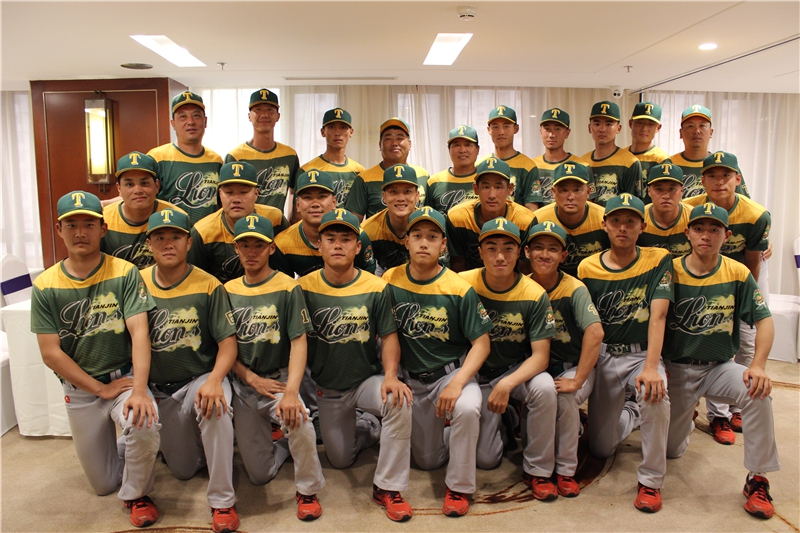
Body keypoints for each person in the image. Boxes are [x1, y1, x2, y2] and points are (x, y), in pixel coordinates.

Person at [32, 191, 161, 528]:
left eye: (88, 224)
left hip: (123, 380)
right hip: (80, 390)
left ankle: (138, 494)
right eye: (71, 225)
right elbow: (50, 353)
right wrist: (98, 389)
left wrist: (140, 391)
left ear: (103, 229)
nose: (80, 233)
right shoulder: (45, 284)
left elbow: (140, 332)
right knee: (103, 484)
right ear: (59, 229)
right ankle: (134, 451)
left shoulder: (125, 272)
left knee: (145, 423)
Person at [298, 208, 415, 523]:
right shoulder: (303, 288)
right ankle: (369, 427)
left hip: (365, 381)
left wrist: (391, 376)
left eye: (346, 239)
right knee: (340, 460)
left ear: (358, 246)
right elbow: (296, 343)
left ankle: (388, 487)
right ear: (319, 245)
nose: (338, 245)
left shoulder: (376, 286)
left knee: (398, 400)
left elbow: (389, 336)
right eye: (330, 238)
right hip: (329, 388)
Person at [663, 202, 779, 519]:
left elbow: (765, 320)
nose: (706, 235)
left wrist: (758, 365)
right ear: (687, 232)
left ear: (726, 236)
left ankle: (758, 479)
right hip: (678, 369)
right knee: (672, 451)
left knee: (757, 391)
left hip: (719, 367)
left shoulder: (737, 272)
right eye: (699, 228)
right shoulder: (669, 270)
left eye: (714, 229)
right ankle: (685, 417)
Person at [383, 207, 493, 517]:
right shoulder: (391, 279)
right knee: (427, 461)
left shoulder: (458, 288)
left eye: (432, 237)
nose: (424, 243)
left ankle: (459, 487)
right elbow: (388, 334)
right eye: (417, 235)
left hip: (450, 374)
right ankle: (453, 436)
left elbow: (482, 344)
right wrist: (390, 374)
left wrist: (458, 383)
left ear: (443, 244)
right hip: (412, 379)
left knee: (466, 407)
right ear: (406, 241)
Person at [142, 209, 240, 533]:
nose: (168, 244)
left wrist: (215, 380)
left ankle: (223, 501)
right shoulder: (137, 283)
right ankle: (194, 445)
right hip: (160, 389)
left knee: (216, 406)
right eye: (160, 237)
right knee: (183, 471)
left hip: (200, 377)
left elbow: (228, 344)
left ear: (188, 242)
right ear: (148, 244)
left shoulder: (209, 284)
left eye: (176, 237)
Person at [224, 214, 325, 520]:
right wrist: (250, 378)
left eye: (259, 245)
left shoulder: (287, 287)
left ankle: (308, 490)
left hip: (279, 382)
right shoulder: (227, 290)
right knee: (260, 475)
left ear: (271, 248)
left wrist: (292, 392)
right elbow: (224, 348)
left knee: (301, 421)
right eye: (245, 245)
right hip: (243, 386)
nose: (251, 251)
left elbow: (299, 342)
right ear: (236, 248)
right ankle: (282, 449)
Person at [578, 193, 672, 513]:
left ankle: (651, 480)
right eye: (616, 220)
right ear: (604, 224)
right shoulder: (588, 266)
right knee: (601, 448)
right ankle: (631, 412)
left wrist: (652, 367)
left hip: (640, 355)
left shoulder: (658, 259)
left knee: (654, 392)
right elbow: (586, 325)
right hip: (604, 357)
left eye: (630, 221)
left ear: (642, 226)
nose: (622, 227)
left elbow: (658, 316)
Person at [459, 218, 559, 500]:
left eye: (508, 248)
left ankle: (538, 470)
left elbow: (541, 357)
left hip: (514, 371)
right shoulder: (463, 283)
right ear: (480, 252)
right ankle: (508, 418)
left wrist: (507, 384)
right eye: (491, 248)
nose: (500, 256)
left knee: (545, 386)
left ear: (519, 253)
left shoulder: (534, 293)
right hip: (477, 375)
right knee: (486, 460)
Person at [683, 151, 771, 443]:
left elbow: (753, 261)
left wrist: (740, 301)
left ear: (738, 178)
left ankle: (733, 409)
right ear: (702, 180)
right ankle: (710, 411)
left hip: (742, 276)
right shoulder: (689, 208)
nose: (719, 181)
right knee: (707, 340)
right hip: (702, 278)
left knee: (745, 342)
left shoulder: (755, 214)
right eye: (712, 175)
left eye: (726, 175)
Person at [526, 221, 604, 498]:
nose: (544, 254)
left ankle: (565, 469)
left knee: (566, 396)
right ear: (527, 252)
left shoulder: (574, 288)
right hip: (535, 368)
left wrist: (579, 379)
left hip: (571, 367)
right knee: (544, 392)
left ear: (564, 255)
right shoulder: (522, 286)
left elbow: (595, 333)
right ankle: (538, 470)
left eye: (552, 249)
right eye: (538, 248)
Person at [188, 161, 288, 284]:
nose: (236, 199)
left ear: (256, 193)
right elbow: (194, 281)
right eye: (229, 192)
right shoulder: (202, 233)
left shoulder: (275, 219)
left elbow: (286, 269)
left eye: (243, 192)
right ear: (220, 194)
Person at [272, 169, 375, 277]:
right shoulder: (282, 243)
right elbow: (283, 285)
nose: (315, 204)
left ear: (334, 202)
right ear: (297, 204)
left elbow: (368, 282)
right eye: (307, 197)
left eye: (322, 197)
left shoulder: (356, 236)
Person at [446, 157, 534, 272]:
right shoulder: (458, 218)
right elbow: (457, 266)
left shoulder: (525, 221)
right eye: (486, 187)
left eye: (498, 187)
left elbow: (525, 271)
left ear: (510, 188)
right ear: (476, 188)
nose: (492, 195)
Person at [148, 92, 223, 224]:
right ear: (173, 123)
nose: (190, 122)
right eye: (183, 116)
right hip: (171, 233)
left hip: (207, 235)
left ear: (205, 121)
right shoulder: (157, 158)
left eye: (196, 115)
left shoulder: (216, 161)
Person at [102, 151, 187, 269]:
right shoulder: (103, 219)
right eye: (129, 184)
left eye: (144, 183)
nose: (138, 190)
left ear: (156, 186)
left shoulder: (177, 217)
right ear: (119, 188)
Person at [225, 88, 301, 212]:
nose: (264, 115)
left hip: (278, 223)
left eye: (270, 110)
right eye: (258, 110)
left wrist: (291, 221)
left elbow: (294, 193)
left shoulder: (289, 156)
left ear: (278, 116)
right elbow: (227, 198)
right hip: (246, 223)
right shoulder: (235, 156)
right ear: (249, 116)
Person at [531, 163, 609, 277]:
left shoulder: (604, 218)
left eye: (577, 190)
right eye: (564, 190)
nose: (571, 197)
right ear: (553, 192)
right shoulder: (538, 220)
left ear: (588, 192)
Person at [345, 117, 428, 220]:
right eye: (388, 138)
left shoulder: (423, 175)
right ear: (380, 145)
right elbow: (354, 221)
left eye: (399, 138)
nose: (394, 143)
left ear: (409, 144)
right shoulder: (364, 179)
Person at [671, 105, 750, 199]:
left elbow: (742, 202)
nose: (697, 131)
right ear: (681, 133)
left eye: (702, 126)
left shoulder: (726, 165)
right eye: (690, 126)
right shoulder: (669, 165)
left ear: (711, 132)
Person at [300, 107, 365, 207]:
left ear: (351, 132)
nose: (337, 133)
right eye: (331, 127)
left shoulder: (360, 172)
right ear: (323, 132)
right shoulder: (307, 170)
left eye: (343, 127)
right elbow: (299, 211)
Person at [582, 101, 643, 206]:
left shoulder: (630, 163)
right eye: (597, 124)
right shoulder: (582, 162)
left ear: (618, 128)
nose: (602, 129)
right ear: (589, 128)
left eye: (608, 124)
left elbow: (633, 205)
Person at [362, 164, 419, 272]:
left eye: (407, 191)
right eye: (393, 192)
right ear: (384, 196)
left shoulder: (429, 226)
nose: (400, 198)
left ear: (417, 196)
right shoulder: (367, 230)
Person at [526, 108, 585, 209]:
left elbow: (587, 204)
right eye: (547, 129)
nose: (551, 135)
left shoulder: (581, 166)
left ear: (567, 133)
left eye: (557, 129)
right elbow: (530, 204)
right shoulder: (531, 165)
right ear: (540, 132)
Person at [636, 163, 692, 257]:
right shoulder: (639, 217)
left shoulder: (692, 217)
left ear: (681, 191)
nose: (666, 196)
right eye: (659, 189)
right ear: (649, 191)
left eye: (672, 189)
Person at [484, 105, 535, 208]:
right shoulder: (481, 165)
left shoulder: (528, 166)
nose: (501, 132)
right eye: (495, 127)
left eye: (506, 126)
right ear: (489, 130)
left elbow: (532, 208)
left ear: (516, 129)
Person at [623, 102, 670, 204]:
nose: (644, 129)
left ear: (658, 128)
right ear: (631, 124)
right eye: (640, 122)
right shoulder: (621, 156)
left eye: (650, 124)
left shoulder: (661, 159)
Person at [426, 125, 480, 214]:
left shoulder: (485, 179)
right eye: (457, 145)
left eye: (468, 145)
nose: (462, 150)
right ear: (449, 149)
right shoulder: (434, 182)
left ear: (477, 149)